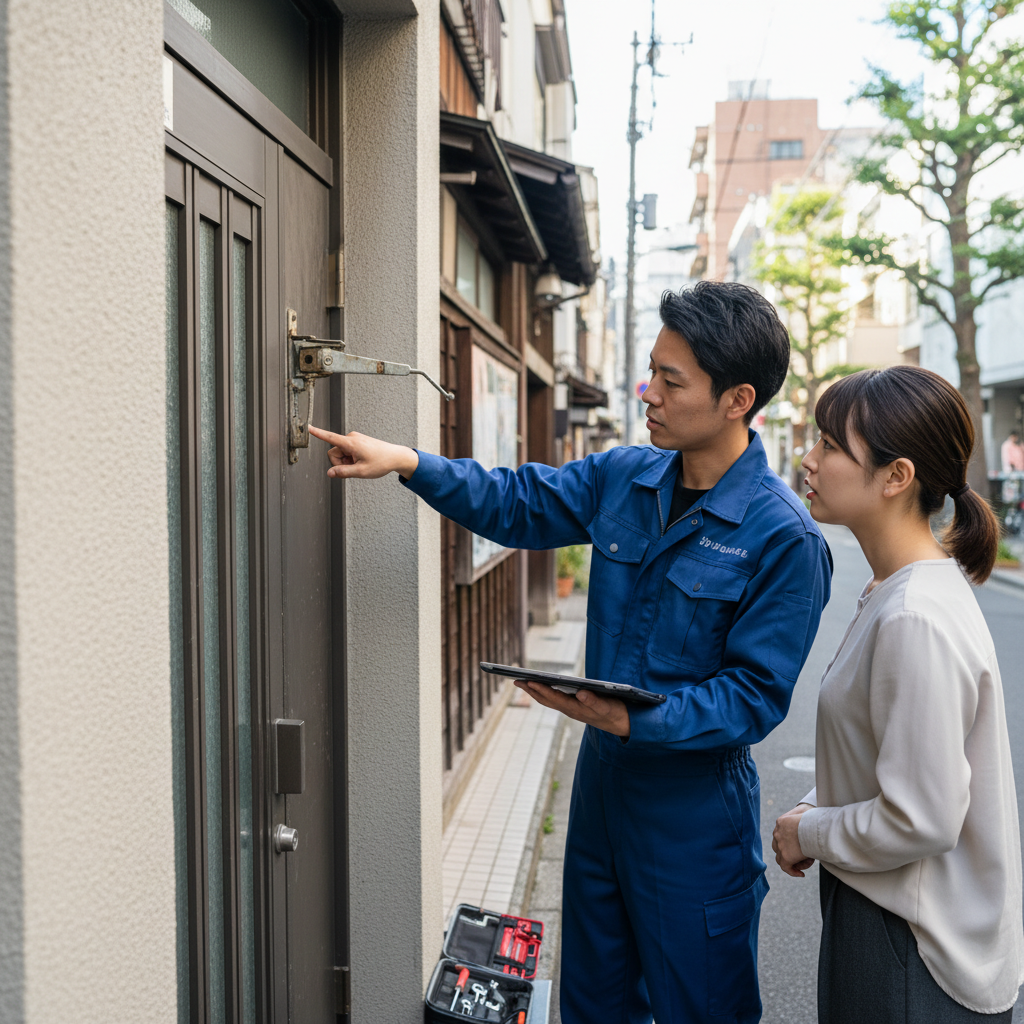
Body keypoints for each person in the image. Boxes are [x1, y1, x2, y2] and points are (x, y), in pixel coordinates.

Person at [310, 281, 833, 1024]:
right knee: (594, 1005)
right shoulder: (625, 475)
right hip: (600, 797)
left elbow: (753, 697)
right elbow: (516, 499)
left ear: (736, 398)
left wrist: (629, 721)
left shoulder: (784, 537)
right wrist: (408, 462)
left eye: (670, 380)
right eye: (650, 369)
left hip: (693, 819)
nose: (647, 392)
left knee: (700, 1009)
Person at [772, 366, 1023, 1023]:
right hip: (896, 916)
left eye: (830, 445)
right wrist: (813, 810)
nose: (810, 459)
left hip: (909, 942)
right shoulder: (907, 591)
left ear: (896, 476)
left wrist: (810, 832)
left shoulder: (913, 614)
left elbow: (922, 817)